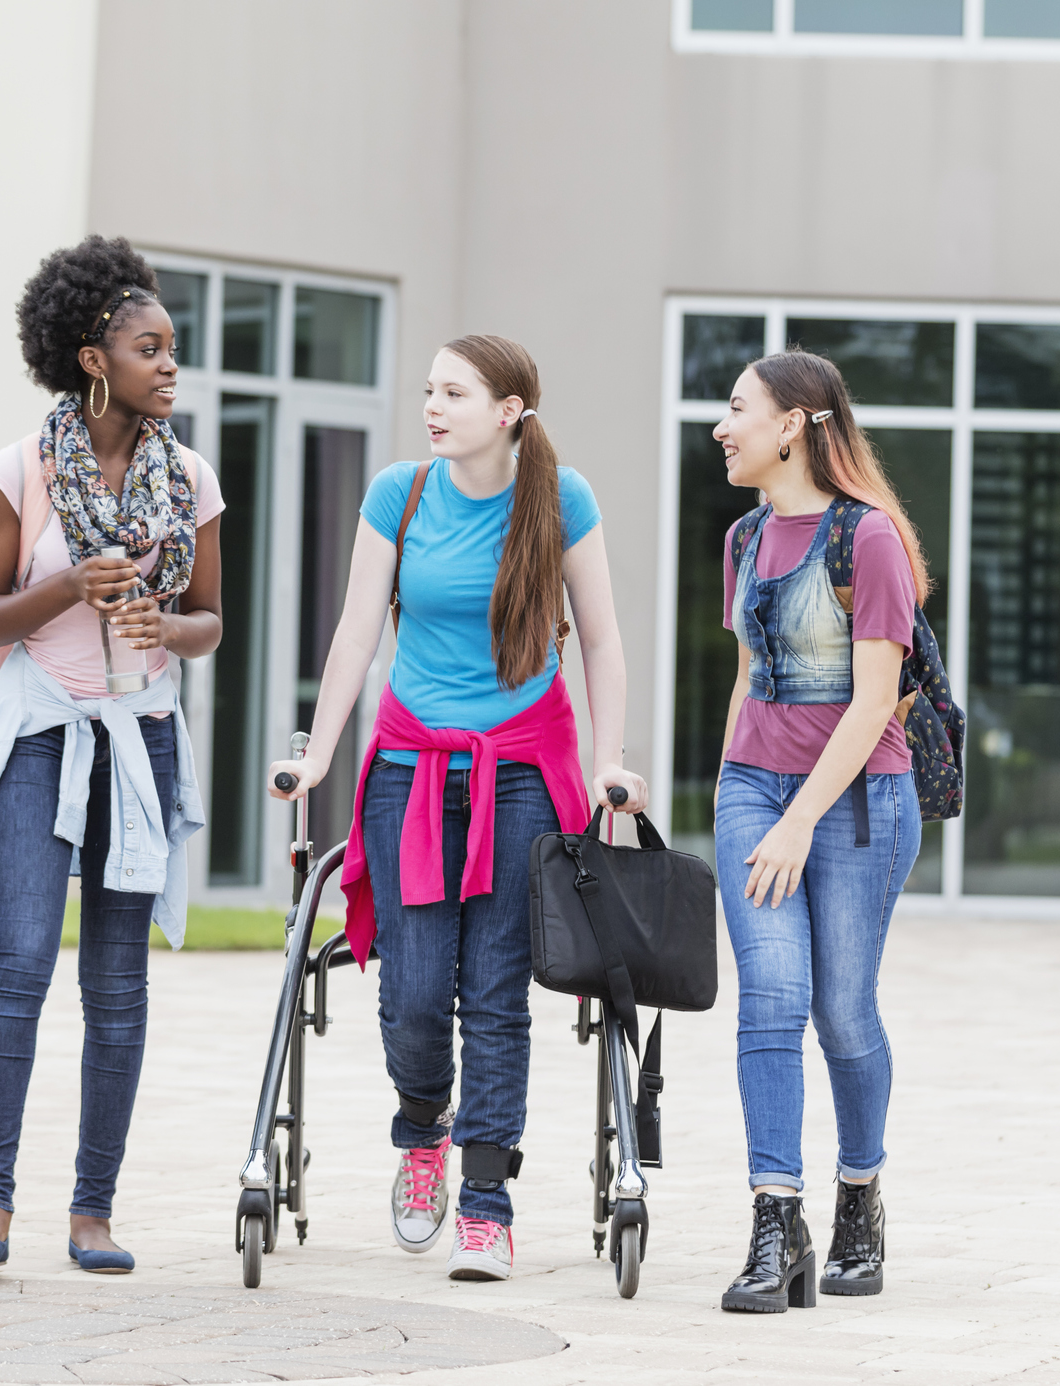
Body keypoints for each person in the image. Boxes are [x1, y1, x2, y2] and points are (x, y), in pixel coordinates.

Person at [267, 334, 646, 1282]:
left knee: (494, 995)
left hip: (523, 768)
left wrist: (610, 763)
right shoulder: (401, 493)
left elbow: (599, 641)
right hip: (409, 766)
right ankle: (422, 1132)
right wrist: (316, 756)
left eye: (455, 393)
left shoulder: (562, 500)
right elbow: (356, 634)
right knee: (411, 992)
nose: (433, 407)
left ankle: (486, 1204)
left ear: (509, 409)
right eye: (429, 390)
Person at [0, 235, 224, 1275]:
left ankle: (92, 1212)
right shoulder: (15, 474)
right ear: (91, 356)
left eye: (172, 348)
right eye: (149, 347)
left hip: (138, 739)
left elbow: (210, 624)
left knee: (116, 984)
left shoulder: (187, 478)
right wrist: (68, 585)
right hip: (35, 737)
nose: (170, 365)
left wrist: (166, 629)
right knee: (18, 965)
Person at [710, 349, 929, 1313]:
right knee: (770, 999)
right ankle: (775, 1219)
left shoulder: (868, 539)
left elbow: (876, 698)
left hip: (857, 806)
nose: (723, 427)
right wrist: (731, 789)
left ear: (794, 423)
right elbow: (748, 676)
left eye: (738, 409)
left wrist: (799, 819)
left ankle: (858, 1196)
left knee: (841, 1013)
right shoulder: (744, 538)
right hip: (756, 794)